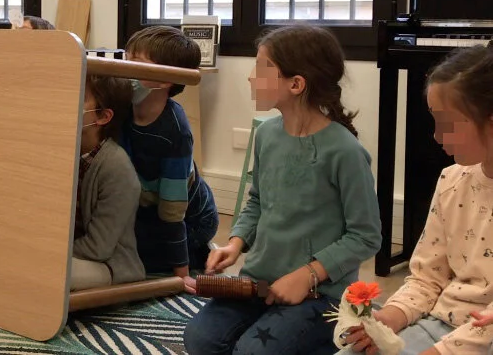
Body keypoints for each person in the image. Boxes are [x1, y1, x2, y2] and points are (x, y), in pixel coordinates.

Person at [185, 24, 382, 355]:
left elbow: (366, 236)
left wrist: (308, 275)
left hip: (321, 295)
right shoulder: (267, 135)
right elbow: (258, 201)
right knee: (200, 340)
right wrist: (236, 243)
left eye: (262, 68)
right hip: (259, 285)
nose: (250, 76)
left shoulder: (345, 152)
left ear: (296, 84)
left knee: (253, 352)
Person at [340, 41, 493, 355]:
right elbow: (426, 277)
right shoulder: (452, 181)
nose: (437, 136)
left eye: (448, 124)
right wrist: (388, 319)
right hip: (441, 321)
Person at [122, 26, 219, 277]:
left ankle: (198, 254)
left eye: (136, 63)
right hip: (147, 205)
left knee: (146, 261)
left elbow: (173, 210)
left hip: (192, 218)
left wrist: (182, 275)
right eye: (125, 59)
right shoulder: (123, 107)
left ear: (166, 78)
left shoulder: (175, 132)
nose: (124, 69)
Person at [71, 75, 146, 291]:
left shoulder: (116, 167)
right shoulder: (68, 150)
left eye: (80, 96)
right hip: (71, 253)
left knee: (44, 272)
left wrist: (48, 252)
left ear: (103, 117)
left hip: (111, 265)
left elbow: (98, 248)